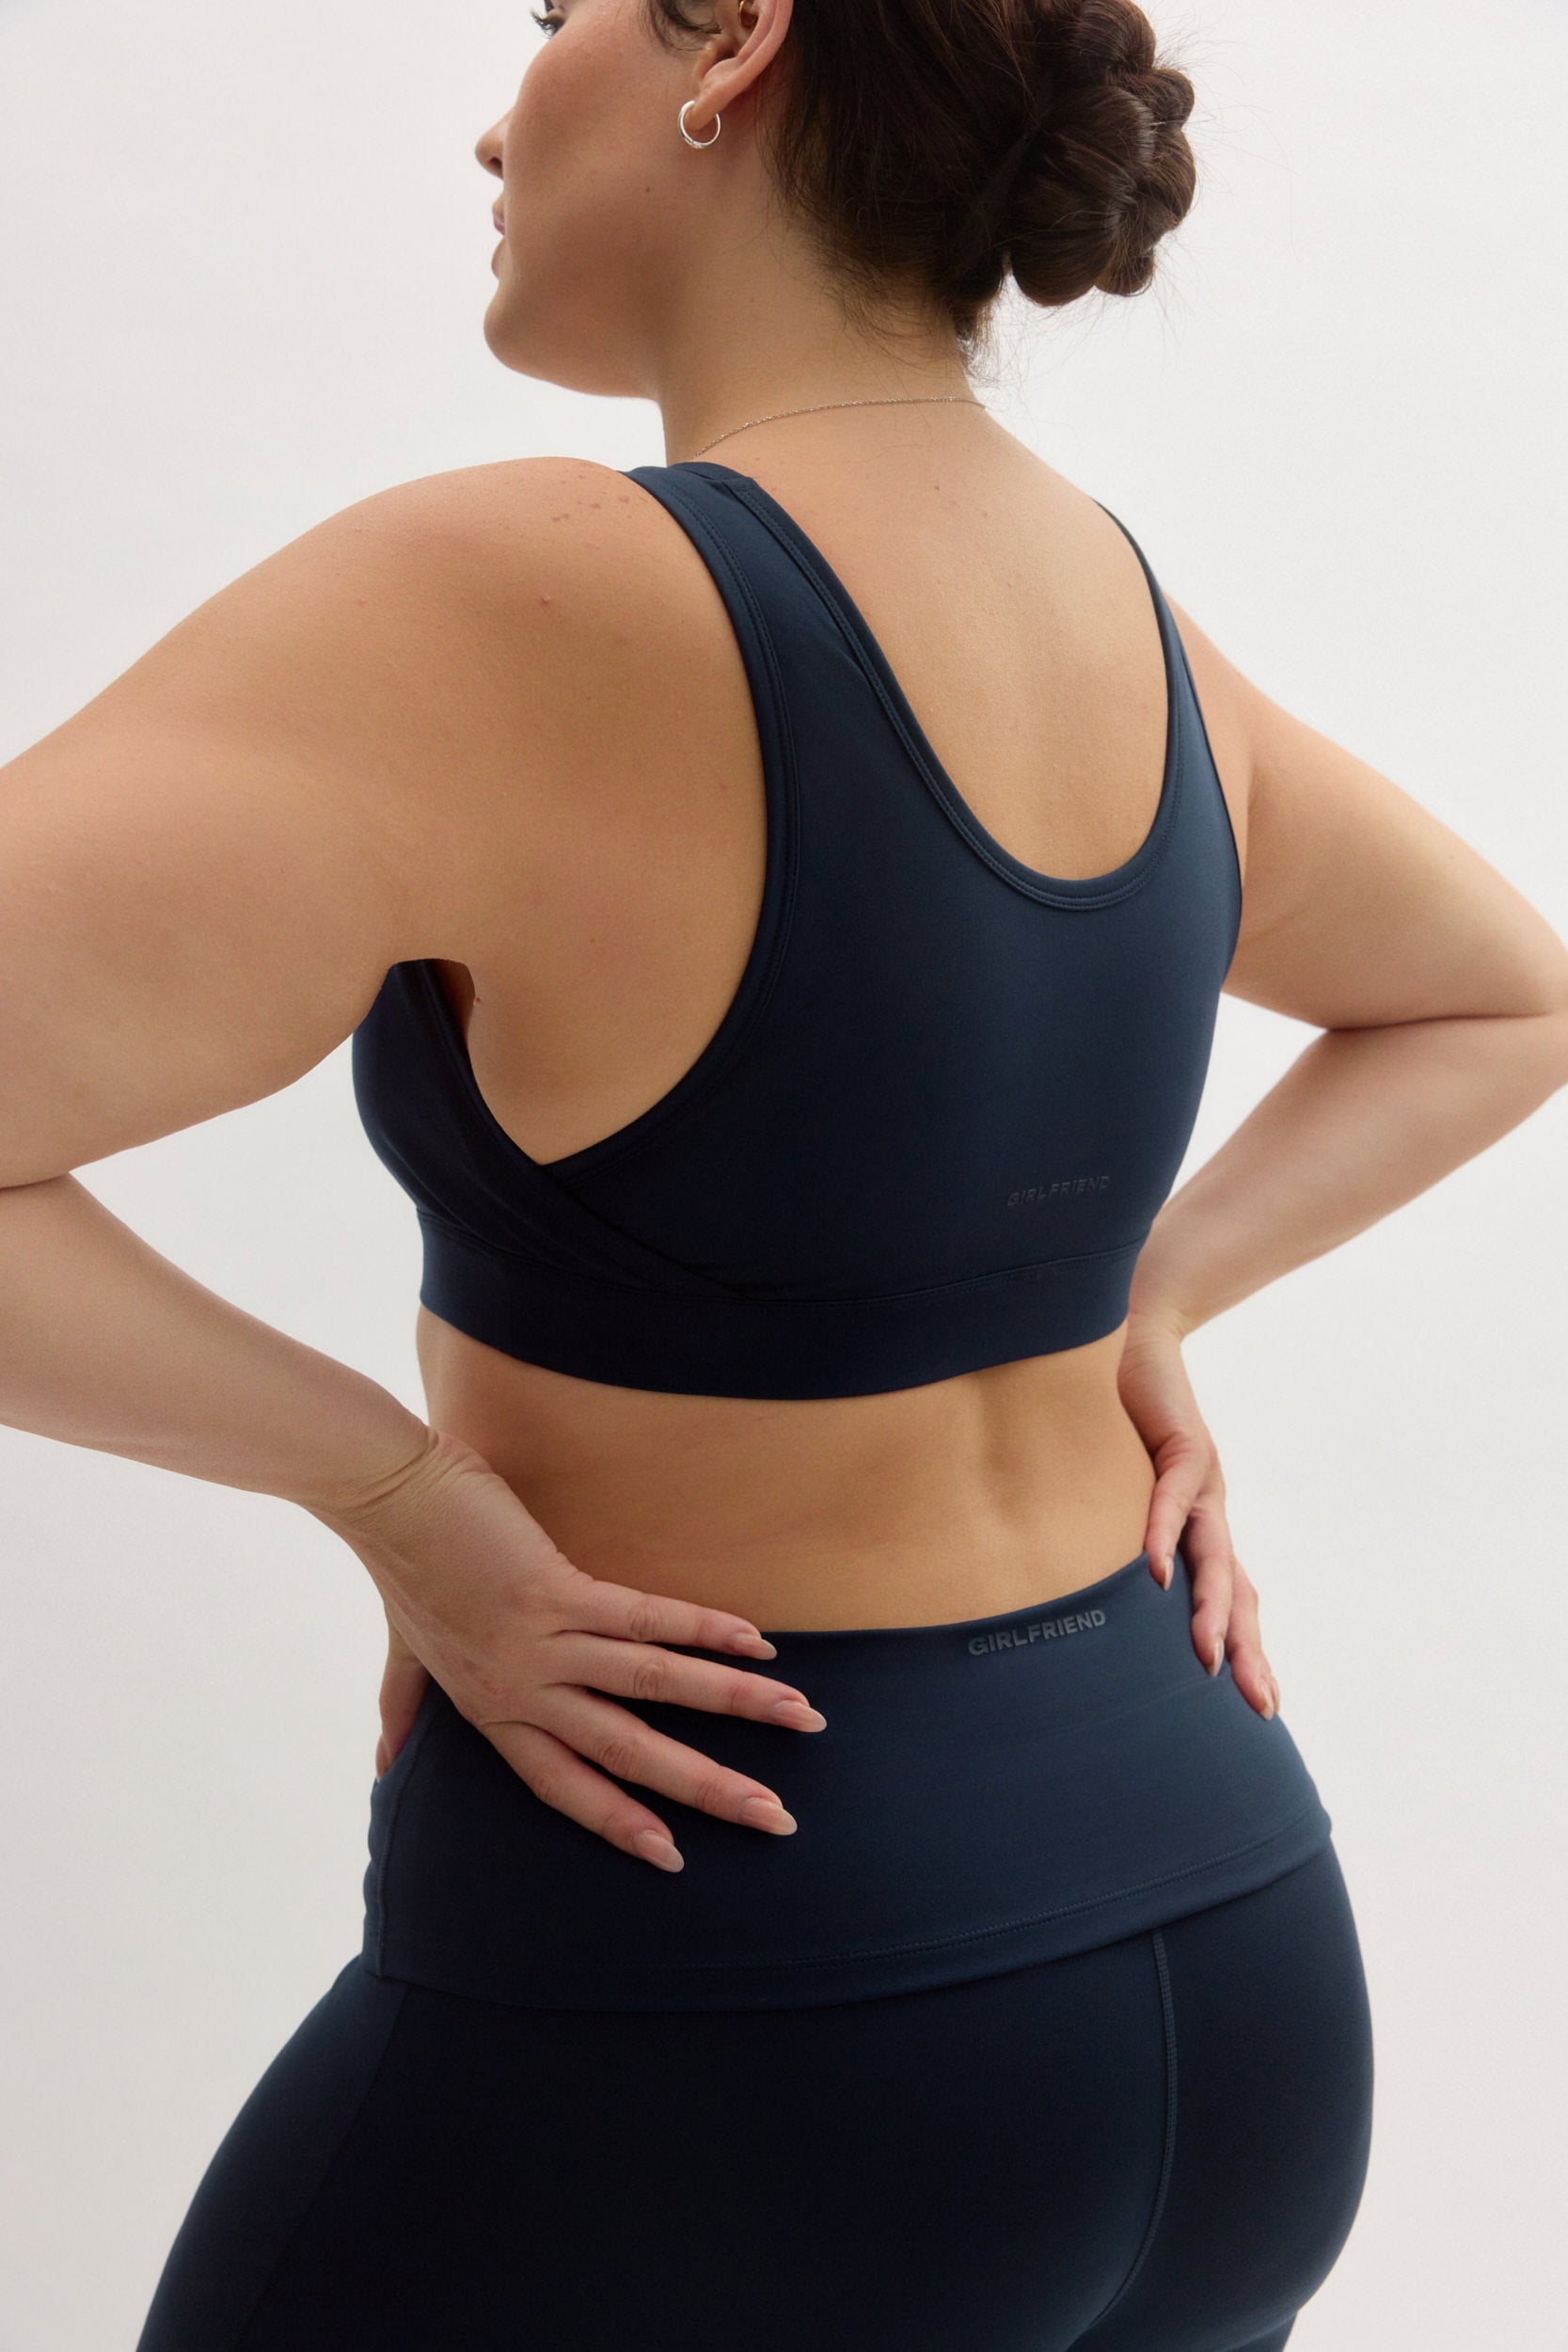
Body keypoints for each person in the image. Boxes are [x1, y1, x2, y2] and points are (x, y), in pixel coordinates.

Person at [3, 0, 1564, 2341]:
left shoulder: (512, 592)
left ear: (736, 39)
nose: (496, 114)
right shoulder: (1114, 603)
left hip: (732, 1987)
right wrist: (1146, 1296)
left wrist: (398, 1494)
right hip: (1230, 1953)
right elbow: (1504, 994)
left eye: (554, 15)